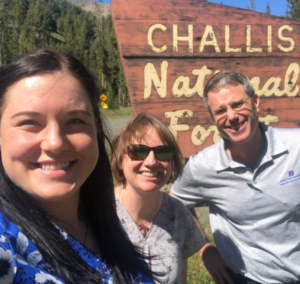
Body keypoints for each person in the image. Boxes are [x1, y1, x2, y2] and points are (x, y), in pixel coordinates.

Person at [0, 49, 154, 284]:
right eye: (29, 122)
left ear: (97, 131)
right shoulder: (5, 245)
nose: (55, 142)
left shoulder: (103, 221)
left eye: (75, 121)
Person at [171, 71, 300, 284]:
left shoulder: (295, 147)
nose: (231, 116)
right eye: (220, 110)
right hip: (246, 279)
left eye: (238, 104)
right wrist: (204, 248)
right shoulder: (203, 166)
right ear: (213, 118)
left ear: (256, 102)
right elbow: (175, 202)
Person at [111, 113, 205, 284]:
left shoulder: (178, 213)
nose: (151, 161)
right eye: (138, 151)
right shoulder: (96, 212)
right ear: (119, 160)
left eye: (163, 152)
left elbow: (181, 278)